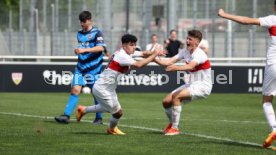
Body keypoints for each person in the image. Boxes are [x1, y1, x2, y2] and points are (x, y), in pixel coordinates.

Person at [76, 34, 162, 135]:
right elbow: (139, 65)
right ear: (124, 45)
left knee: (106, 108)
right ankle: (111, 129)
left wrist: (155, 52)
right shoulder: (122, 56)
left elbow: (144, 53)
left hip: (109, 89)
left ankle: (83, 110)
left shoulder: (127, 52)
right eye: (132, 45)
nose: (134, 47)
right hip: (102, 89)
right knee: (118, 112)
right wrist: (154, 55)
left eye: (135, 45)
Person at [218, 3, 276, 148]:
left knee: (267, 100)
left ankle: (275, 129)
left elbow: (246, 20)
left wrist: (225, 15)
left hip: (273, 65)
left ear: (275, 7)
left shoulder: (272, 19)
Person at [154, 30, 212, 135]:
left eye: (190, 39)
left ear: (197, 42)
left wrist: (175, 68)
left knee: (176, 97)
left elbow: (190, 66)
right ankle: (172, 124)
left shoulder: (199, 54)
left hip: (203, 86)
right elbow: (168, 62)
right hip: (191, 84)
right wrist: (152, 57)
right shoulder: (185, 51)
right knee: (166, 102)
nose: (187, 41)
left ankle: (175, 128)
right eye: (187, 38)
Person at [55, 11, 105, 124]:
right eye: (81, 21)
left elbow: (100, 48)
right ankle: (66, 116)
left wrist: (84, 50)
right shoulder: (79, 34)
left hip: (94, 69)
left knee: (96, 93)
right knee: (74, 90)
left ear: (90, 20)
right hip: (80, 68)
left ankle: (99, 118)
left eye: (84, 21)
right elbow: (82, 47)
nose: (82, 24)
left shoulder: (97, 32)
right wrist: (78, 51)